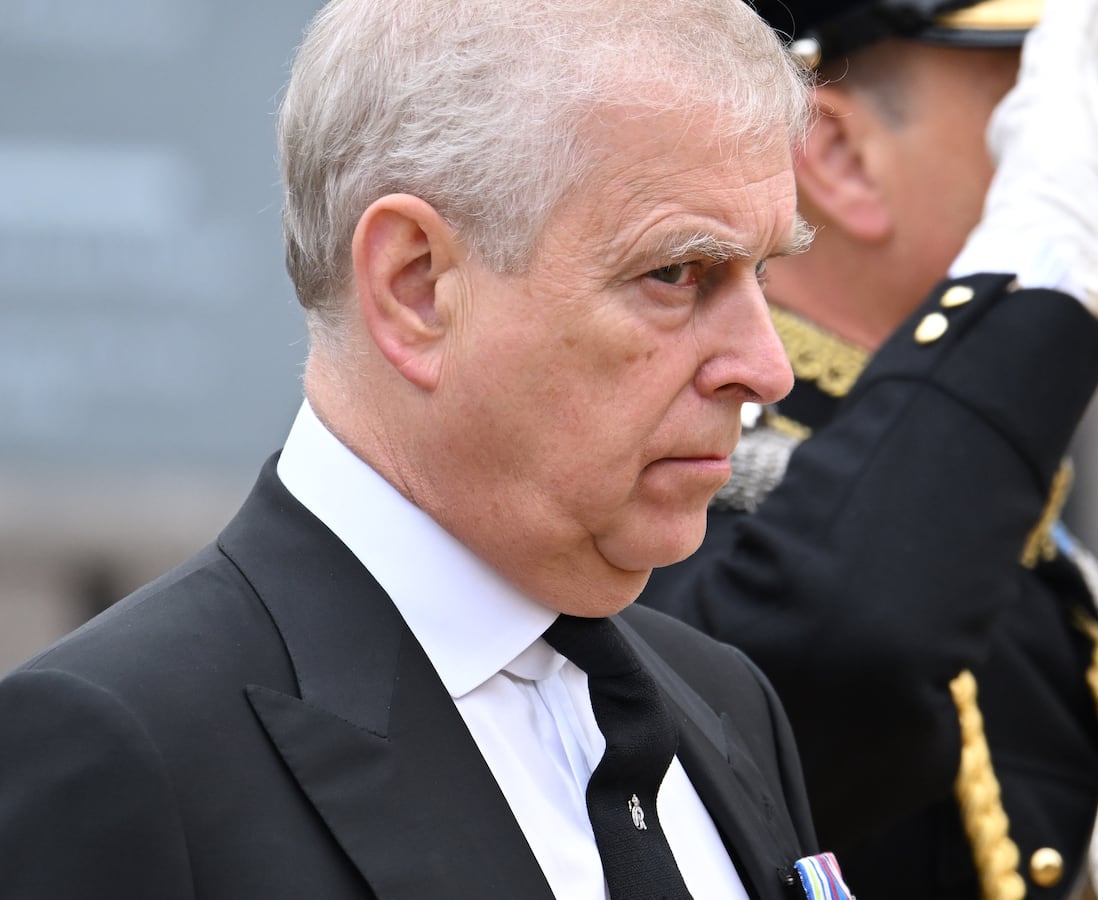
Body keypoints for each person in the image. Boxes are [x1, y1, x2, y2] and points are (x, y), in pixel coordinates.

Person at [0, 1, 848, 898]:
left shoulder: (722, 702)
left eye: (761, 274)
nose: (767, 368)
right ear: (415, 286)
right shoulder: (126, 747)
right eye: (677, 273)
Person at [638, 0, 1098, 897]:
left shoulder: (965, 501)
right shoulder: (702, 496)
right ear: (840, 158)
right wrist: (1020, 293)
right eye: (1083, 96)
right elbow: (836, 650)